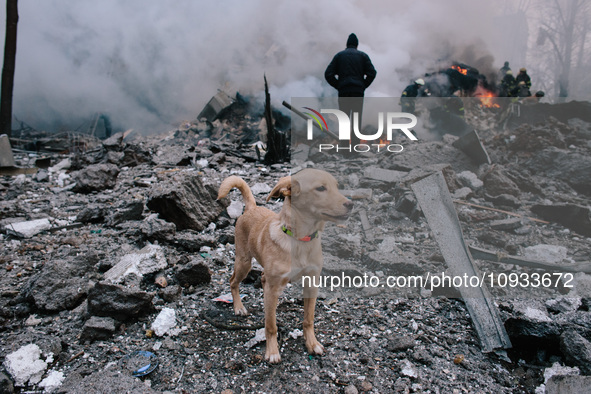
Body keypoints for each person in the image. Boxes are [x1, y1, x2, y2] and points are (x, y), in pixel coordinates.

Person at [325, 33, 377, 147]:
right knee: (356, 121)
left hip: (344, 92)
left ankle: (344, 147)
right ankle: (354, 148)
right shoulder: (363, 56)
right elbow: (372, 73)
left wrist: (338, 85)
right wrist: (363, 86)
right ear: (357, 45)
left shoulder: (339, 56)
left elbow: (328, 74)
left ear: (347, 44)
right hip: (357, 93)